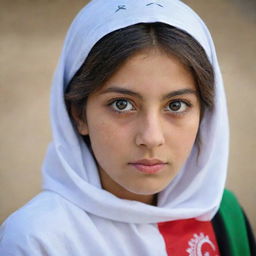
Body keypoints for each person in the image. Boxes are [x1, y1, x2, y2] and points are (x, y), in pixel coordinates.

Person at [0, 0, 255, 255]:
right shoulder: (37, 239)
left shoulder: (222, 215)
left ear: (206, 114)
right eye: (122, 105)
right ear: (78, 114)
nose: (151, 138)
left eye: (176, 105)